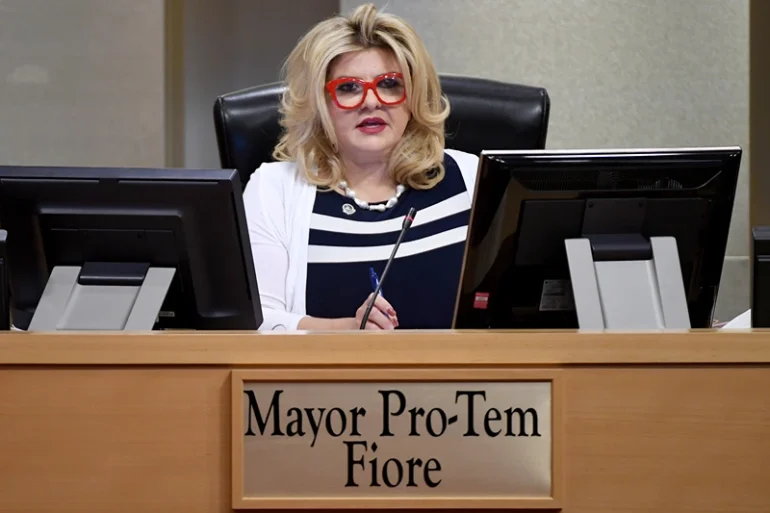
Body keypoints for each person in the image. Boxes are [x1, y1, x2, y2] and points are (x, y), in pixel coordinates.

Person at [243, 3, 479, 331]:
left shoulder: (473, 179)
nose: (371, 101)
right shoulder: (275, 190)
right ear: (319, 104)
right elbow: (253, 321)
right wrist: (348, 332)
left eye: (390, 84)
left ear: (413, 96)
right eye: (349, 88)